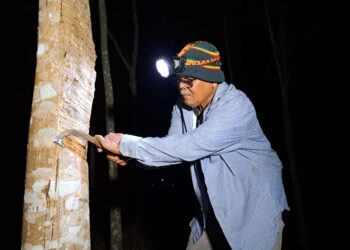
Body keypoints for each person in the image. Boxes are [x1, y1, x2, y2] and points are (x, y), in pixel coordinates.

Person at [95, 41, 289, 250]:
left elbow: (186, 147)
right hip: (212, 212)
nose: (181, 86)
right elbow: (170, 151)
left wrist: (127, 144)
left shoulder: (236, 107)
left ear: (212, 80)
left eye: (189, 80)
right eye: (179, 80)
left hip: (253, 213)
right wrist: (131, 159)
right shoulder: (182, 108)